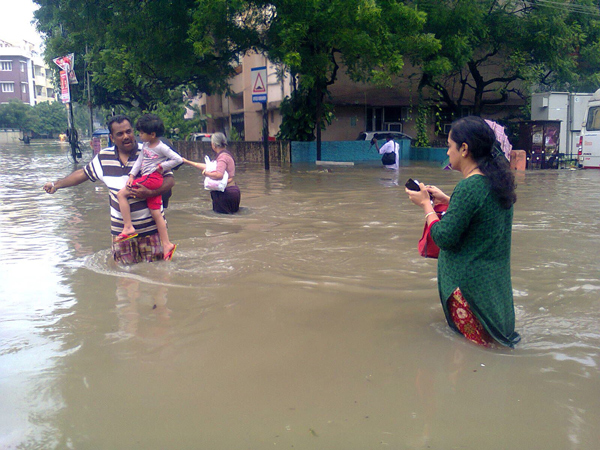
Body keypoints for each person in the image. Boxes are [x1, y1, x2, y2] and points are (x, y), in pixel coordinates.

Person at [405, 116, 520, 348]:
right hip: (493, 290)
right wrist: (449, 200)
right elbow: (482, 216)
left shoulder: (469, 187)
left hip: (469, 292)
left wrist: (426, 206)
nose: (447, 153)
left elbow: (444, 237)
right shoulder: (494, 181)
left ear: (464, 149)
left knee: (469, 357)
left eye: (449, 146)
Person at [43, 115, 176, 265]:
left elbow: (170, 180)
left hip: (152, 231)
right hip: (122, 234)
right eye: (120, 134)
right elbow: (82, 174)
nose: (126, 136)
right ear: (112, 138)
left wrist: (149, 193)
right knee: (126, 280)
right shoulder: (103, 158)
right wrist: (56, 185)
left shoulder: (150, 151)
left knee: (157, 277)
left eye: (129, 131)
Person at [116, 114, 182, 260]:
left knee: (121, 194)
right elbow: (140, 161)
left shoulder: (161, 147)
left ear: (152, 134)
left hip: (151, 178)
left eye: (141, 133)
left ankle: (128, 227)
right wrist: (132, 175)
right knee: (156, 213)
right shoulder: (146, 145)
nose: (139, 135)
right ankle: (166, 244)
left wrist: (161, 166)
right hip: (151, 179)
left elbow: (178, 159)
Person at [182, 132, 241, 214]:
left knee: (223, 222)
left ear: (214, 144)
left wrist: (206, 174)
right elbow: (209, 167)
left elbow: (219, 175)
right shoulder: (225, 155)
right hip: (231, 192)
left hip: (225, 193)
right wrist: (188, 162)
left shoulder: (222, 157)